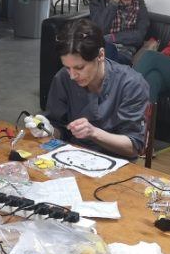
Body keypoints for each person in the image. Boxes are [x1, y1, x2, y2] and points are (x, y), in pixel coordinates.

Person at [24, 19, 149, 160]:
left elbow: (133, 147)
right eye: (67, 67)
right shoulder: (63, 78)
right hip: (73, 156)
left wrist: (94, 133)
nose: (72, 76)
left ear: (101, 55)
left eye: (79, 68)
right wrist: (48, 130)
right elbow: (60, 128)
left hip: (117, 163)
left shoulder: (131, 84)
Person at [88, 0, 149, 65]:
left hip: (124, 53)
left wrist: (112, 37)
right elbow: (100, 30)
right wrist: (113, 4)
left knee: (106, 58)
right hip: (100, 49)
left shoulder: (139, 4)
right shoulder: (98, 3)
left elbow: (139, 36)